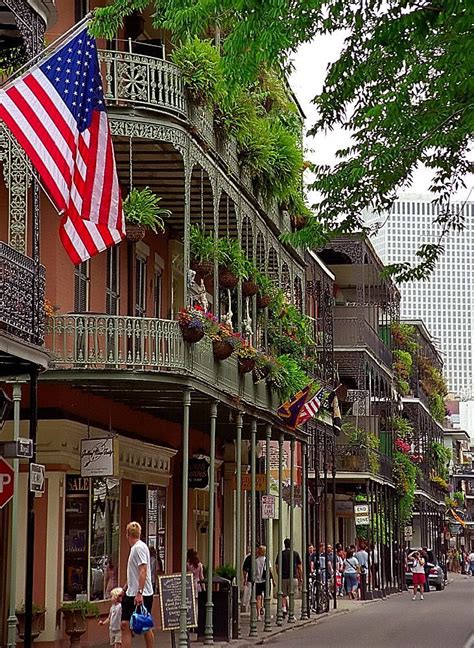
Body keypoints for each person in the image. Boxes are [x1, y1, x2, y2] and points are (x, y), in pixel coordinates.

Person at [121, 521, 154, 648]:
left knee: (145, 626)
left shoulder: (139, 548)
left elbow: (143, 570)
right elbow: (133, 574)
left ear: (127, 534)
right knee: (125, 625)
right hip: (131, 593)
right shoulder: (136, 548)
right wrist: (124, 589)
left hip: (141, 594)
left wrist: (139, 593)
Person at [275, 538, 302, 617]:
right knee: (291, 595)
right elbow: (299, 567)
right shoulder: (295, 554)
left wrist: (279, 573)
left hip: (283, 577)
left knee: (283, 594)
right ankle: (291, 613)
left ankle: (284, 608)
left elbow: (276, 566)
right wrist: (300, 577)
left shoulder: (280, 554)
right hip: (293, 577)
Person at [255, 545, 274, 619]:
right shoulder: (266, 560)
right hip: (265, 580)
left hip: (257, 581)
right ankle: (267, 614)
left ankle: (258, 615)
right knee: (267, 597)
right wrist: (273, 580)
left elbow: (254, 571)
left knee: (258, 598)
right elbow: (269, 570)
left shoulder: (256, 561)